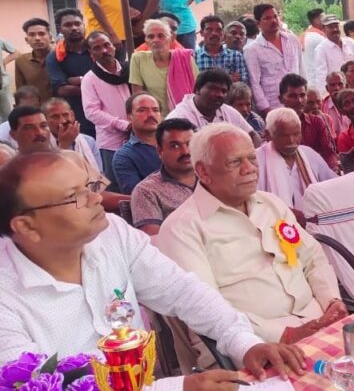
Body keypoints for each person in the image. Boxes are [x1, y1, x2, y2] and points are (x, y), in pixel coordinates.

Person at [0, 152, 310, 387]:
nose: (96, 198)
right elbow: (40, 385)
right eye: (74, 197)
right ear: (26, 226)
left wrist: (245, 343)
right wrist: (178, 387)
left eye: (89, 186)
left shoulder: (112, 235)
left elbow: (183, 291)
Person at [157, 123, 346, 344]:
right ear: (204, 172)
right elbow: (205, 308)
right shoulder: (181, 228)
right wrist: (283, 335)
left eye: (252, 159)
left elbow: (313, 258)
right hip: (249, 343)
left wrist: (331, 301)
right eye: (235, 162)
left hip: (317, 318)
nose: (250, 169)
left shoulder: (271, 204)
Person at [257, 108, 338, 209]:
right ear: (268, 135)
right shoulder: (256, 161)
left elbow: (332, 184)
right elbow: (256, 203)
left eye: (296, 134)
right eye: (284, 136)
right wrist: (287, 212)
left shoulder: (309, 154)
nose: (291, 141)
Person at [131, 118, 197, 235]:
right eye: (175, 146)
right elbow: (154, 239)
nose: (186, 152)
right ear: (160, 151)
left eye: (190, 144)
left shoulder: (214, 177)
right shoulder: (147, 191)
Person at [81, 31, 131, 185]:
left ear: (114, 47)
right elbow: (91, 112)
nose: (104, 50)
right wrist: (124, 125)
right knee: (116, 187)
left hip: (138, 138)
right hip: (111, 144)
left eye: (107, 45)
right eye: (97, 48)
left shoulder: (130, 70)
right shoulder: (90, 79)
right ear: (91, 54)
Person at [166, 68, 260, 146]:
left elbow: (253, 135)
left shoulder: (228, 111)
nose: (219, 95)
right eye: (213, 89)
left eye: (223, 91)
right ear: (197, 89)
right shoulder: (179, 117)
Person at [46, 9, 97, 138]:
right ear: (59, 29)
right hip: (77, 118)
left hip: (105, 114)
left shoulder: (98, 49)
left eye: (77, 24)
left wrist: (76, 80)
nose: (74, 28)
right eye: (68, 25)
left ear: (84, 25)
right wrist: (95, 86)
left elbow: (110, 79)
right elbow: (62, 90)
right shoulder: (55, 57)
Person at [129, 19, 198, 115]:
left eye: (161, 36)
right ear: (146, 41)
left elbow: (197, 90)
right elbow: (138, 97)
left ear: (171, 39)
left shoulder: (185, 59)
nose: (155, 40)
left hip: (185, 115)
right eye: (150, 36)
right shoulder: (138, 59)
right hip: (155, 117)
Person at [245, 4, 303, 115]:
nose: (273, 21)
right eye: (267, 18)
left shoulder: (292, 40)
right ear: (258, 23)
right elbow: (254, 83)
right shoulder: (252, 49)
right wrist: (265, 109)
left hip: (298, 103)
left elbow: (301, 69)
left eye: (275, 16)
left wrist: (304, 98)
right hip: (273, 106)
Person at [275, 73, 339, 171]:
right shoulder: (275, 126)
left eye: (302, 95)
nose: (299, 100)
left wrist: (333, 168)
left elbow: (328, 152)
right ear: (281, 99)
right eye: (292, 96)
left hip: (317, 172)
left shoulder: (316, 122)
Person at [113, 93, 163, 193]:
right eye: (142, 110)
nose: (151, 114)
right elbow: (137, 196)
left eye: (155, 110)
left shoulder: (178, 142)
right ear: (129, 117)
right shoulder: (124, 156)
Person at [42, 97, 103, 173]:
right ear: (45, 120)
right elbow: (48, 175)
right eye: (55, 117)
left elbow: (99, 174)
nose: (63, 121)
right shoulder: (41, 145)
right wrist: (63, 146)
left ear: (72, 115)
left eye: (65, 115)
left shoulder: (89, 141)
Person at [312, 14, 354, 91]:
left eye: (336, 26)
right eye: (330, 27)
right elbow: (321, 76)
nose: (335, 29)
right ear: (323, 29)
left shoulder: (350, 43)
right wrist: (325, 94)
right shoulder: (321, 49)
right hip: (336, 91)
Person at [196, 15, 249, 85]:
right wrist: (228, 78)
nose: (214, 33)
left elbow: (242, 82)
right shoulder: (195, 57)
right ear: (201, 33)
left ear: (223, 33)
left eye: (218, 30)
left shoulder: (235, 56)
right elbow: (194, 83)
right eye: (209, 30)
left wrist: (206, 81)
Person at [15, 18, 53, 102]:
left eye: (42, 34)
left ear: (50, 37)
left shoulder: (61, 57)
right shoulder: (21, 61)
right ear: (27, 40)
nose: (37, 38)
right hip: (35, 108)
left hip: (61, 107)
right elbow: (21, 91)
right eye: (32, 35)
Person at [299, 8, 326, 82]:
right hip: (317, 79)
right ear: (317, 20)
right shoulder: (318, 38)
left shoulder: (306, 35)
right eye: (324, 18)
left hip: (308, 78)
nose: (326, 22)